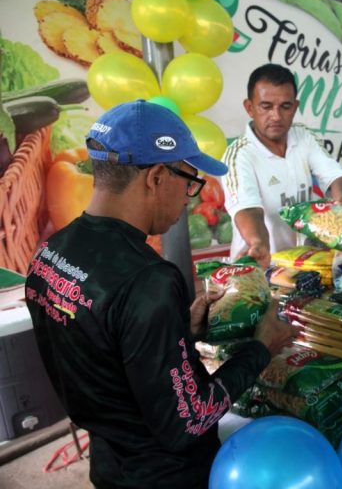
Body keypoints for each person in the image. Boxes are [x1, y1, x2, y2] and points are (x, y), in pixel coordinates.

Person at [25, 100, 295, 488]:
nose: (190, 197)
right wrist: (260, 348)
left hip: (109, 464)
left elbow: (106, 353)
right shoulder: (147, 278)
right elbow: (190, 420)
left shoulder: (52, 252)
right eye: (189, 181)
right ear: (155, 177)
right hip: (165, 475)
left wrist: (179, 331)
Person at [222, 63, 342, 268]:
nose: (276, 116)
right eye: (266, 106)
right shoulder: (239, 155)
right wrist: (258, 243)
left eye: (285, 106)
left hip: (306, 264)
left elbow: (335, 176)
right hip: (262, 267)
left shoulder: (303, 136)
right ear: (249, 108)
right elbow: (249, 211)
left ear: (295, 106)